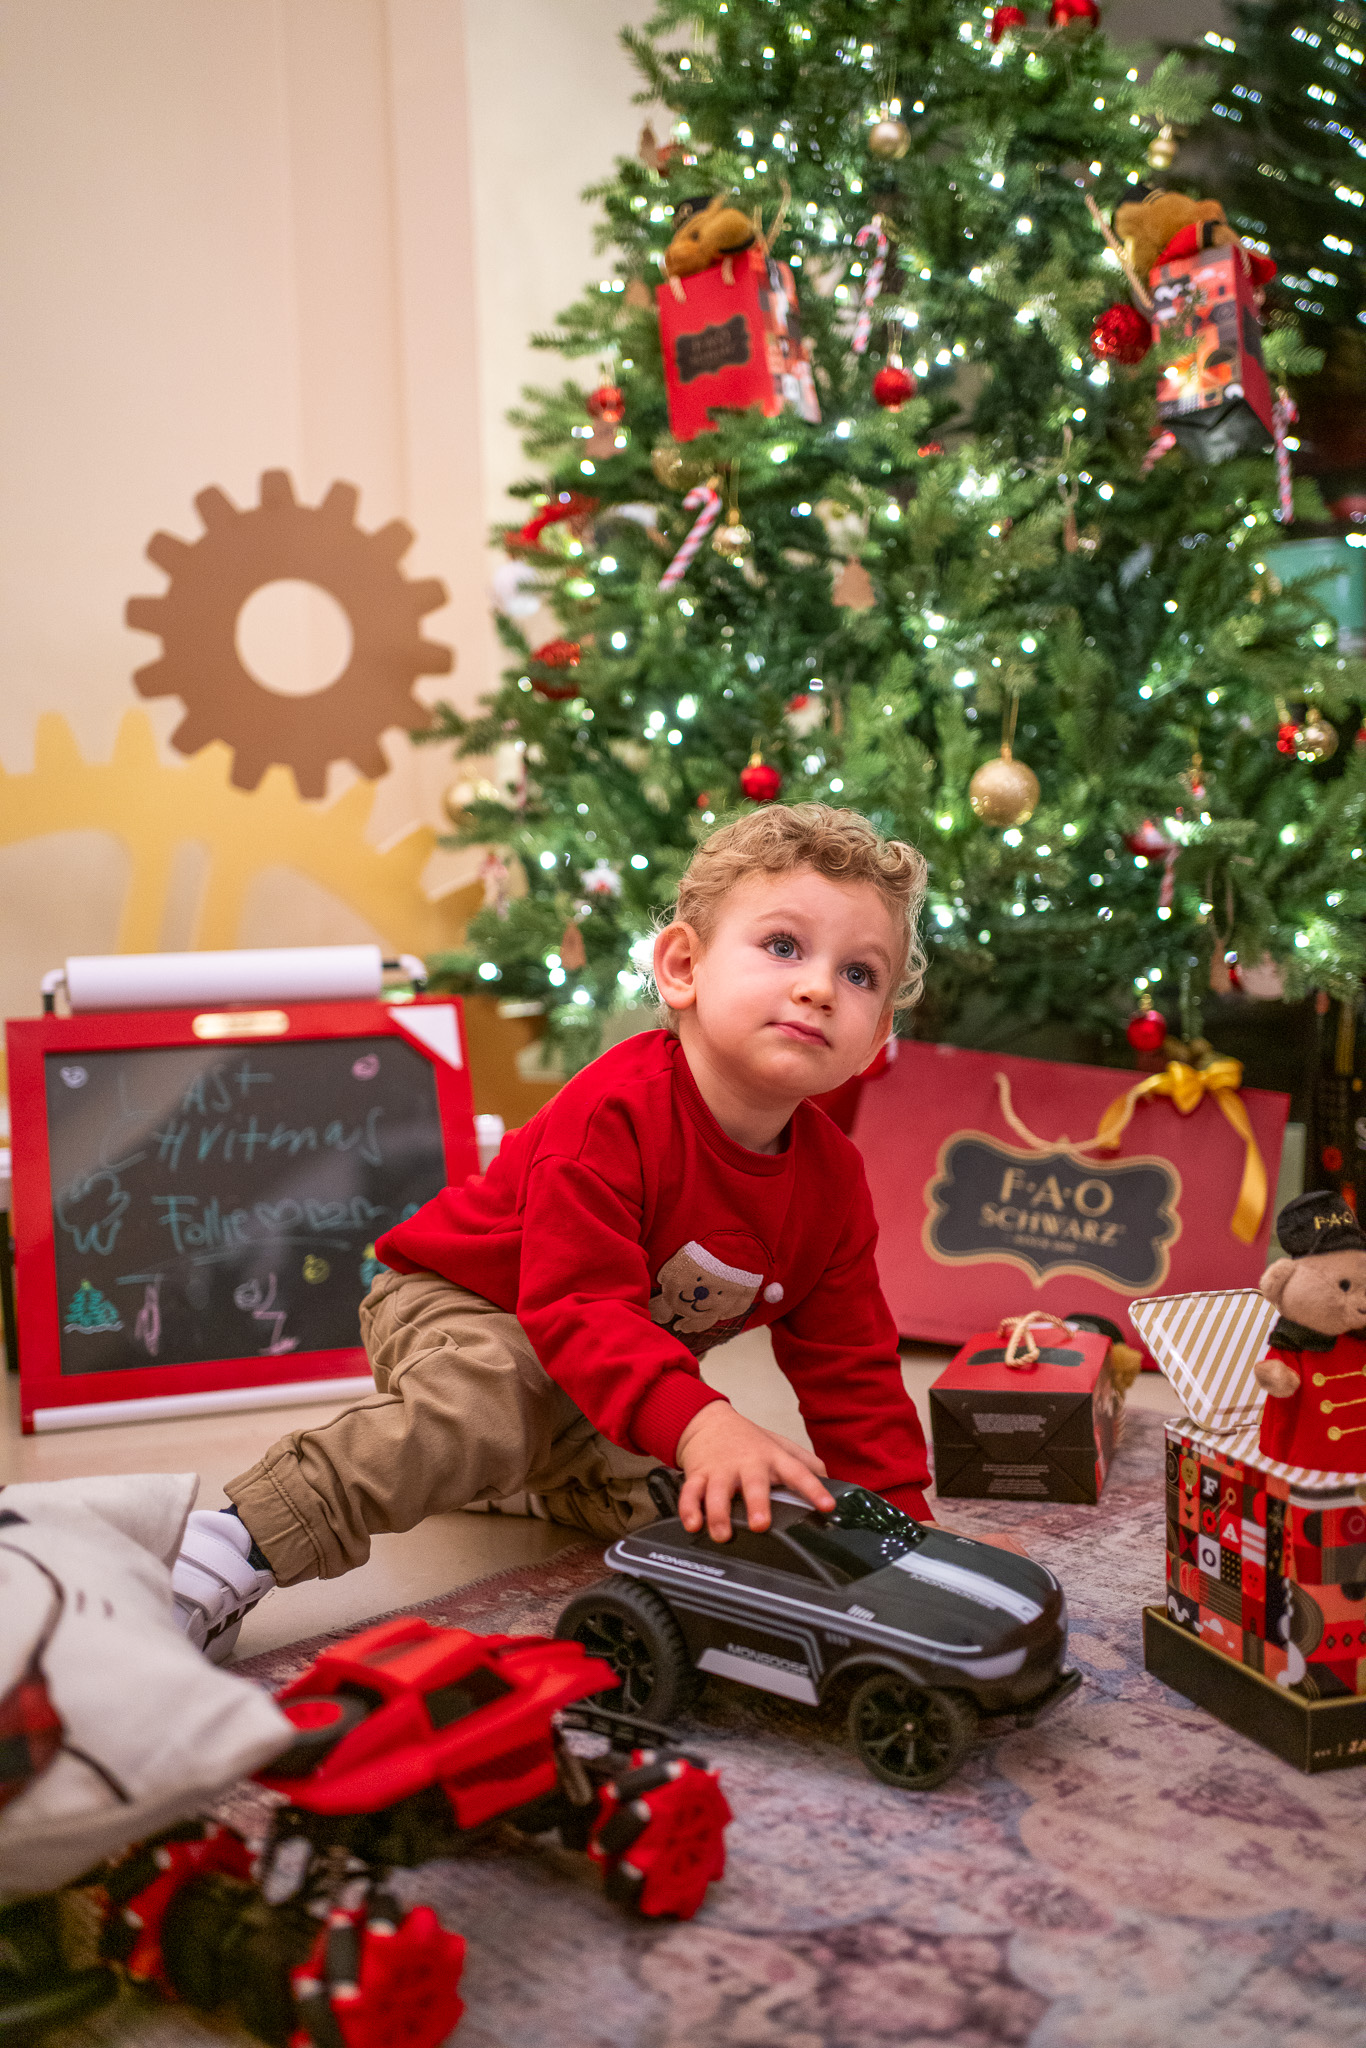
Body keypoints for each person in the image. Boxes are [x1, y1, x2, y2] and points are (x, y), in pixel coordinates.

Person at [171, 803, 934, 1661]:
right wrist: (701, 1419)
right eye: (785, 946)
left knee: (739, 1499)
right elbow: (574, 1305)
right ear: (682, 967)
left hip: (605, 1357)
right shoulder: (615, 1111)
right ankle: (230, 1543)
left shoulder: (833, 1182)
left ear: (876, 1041)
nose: (819, 986)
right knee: (504, 1396)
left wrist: (905, 1540)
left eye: (861, 974)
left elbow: (855, 1371)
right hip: (466, 1298)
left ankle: (523, 1477)